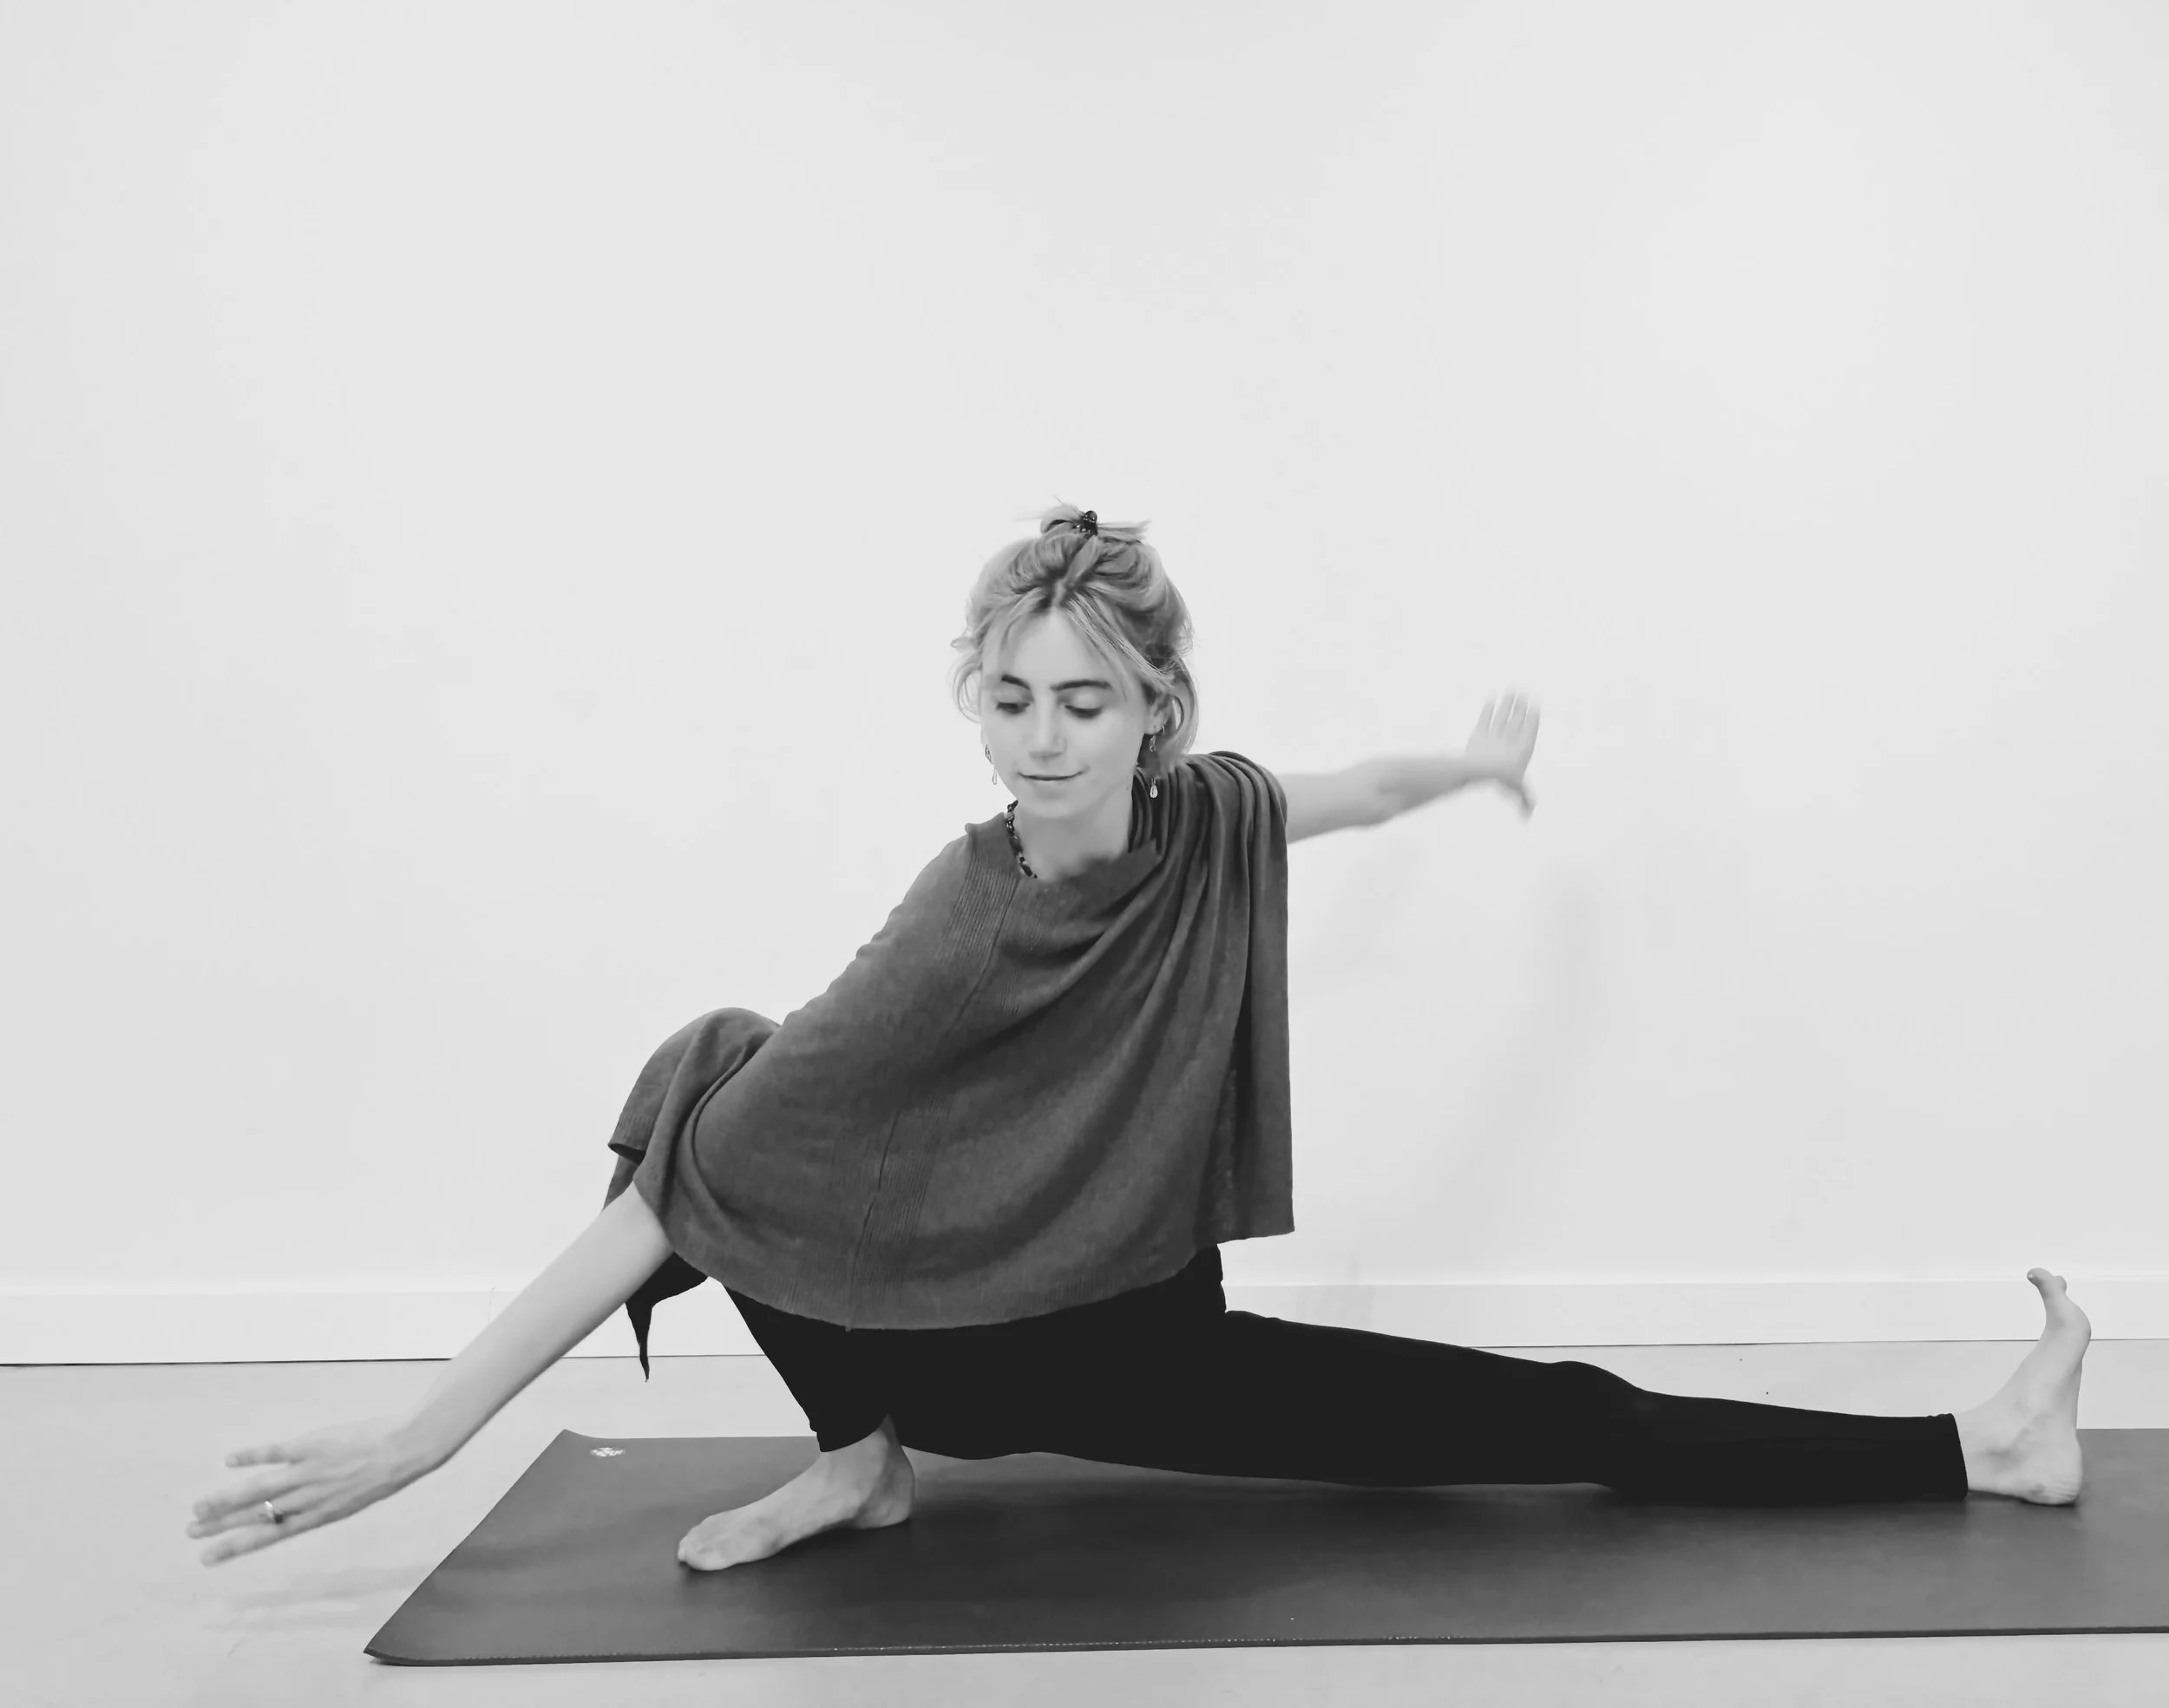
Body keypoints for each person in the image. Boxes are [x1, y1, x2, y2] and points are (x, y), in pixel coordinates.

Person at [189, 505, 2089, 1573]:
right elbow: (677, 1201)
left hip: (1151, 1324)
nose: (1040, 739)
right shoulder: (956, 925)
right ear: (976, 703)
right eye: (1009, 698)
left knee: (1550, 1416)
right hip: (1011, 1356)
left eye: (1082, 702)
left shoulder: (1216, 815)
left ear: (1155, 710)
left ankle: (1976, 1447)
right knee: (724, 1079)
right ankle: (860, 1455)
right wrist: (425, 1433)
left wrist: (1467, 768)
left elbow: (1349, 790)